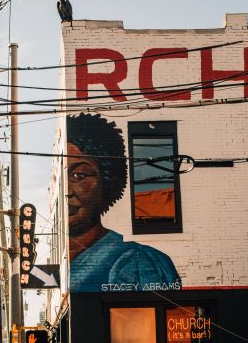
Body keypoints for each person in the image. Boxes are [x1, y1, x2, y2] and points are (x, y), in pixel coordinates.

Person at [66, 113, 181, 292]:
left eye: (79, 175)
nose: (67, 191)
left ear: (108, 181)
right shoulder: (66, 264)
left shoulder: (135, 262)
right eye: (60, 182)